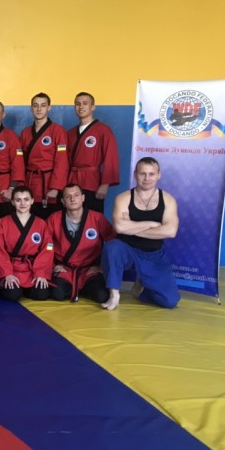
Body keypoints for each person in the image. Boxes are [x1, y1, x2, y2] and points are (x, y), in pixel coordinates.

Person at [101, 157, 180, 310]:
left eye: (151, 174)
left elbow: (171, 231)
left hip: (153, 253)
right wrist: (151, 224)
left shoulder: (168, 200)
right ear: (135, 174)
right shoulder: (123, 198)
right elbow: (119, 227)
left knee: (170, 301)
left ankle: (140, 287)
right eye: (142, 174)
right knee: (112, 247)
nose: (147, 178)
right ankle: (114, 294)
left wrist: (131, 227)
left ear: (159, 175)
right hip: (126, 249)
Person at [47, 184, 115, 302]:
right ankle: (76, 288)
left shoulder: (97, 218)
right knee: (57, 294)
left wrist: (102, 266)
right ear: (63, 201)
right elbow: (47, 245)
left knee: (102, 296)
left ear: (83, 198)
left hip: (89, 270)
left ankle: (82, 287)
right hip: (65, 269)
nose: (72, 199)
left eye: (76, 195)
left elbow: (113, 243)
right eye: (68, 196)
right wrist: (53, 265)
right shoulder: (54, 219)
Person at [0, 186, 53, 302]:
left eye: (26, 199)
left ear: (32, 201)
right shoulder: (3, 222)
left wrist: (40, 273)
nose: (22, 203)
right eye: (18, 200)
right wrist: (7, 273)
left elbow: (47, 249)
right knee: (12, 295)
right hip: (12, 268)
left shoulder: (41, 223)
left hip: (32, 269)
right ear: (12, 202)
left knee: (41, 294)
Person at [67, 92, 120, 213]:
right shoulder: (70, 133)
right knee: (72, 215)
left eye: (85, 103)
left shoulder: (103, 130)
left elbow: (111, 157)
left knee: (93, 217)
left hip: (92, 182)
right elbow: (64, 161)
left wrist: (105, 184)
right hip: (72, 182)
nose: (81, 107)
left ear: (93, 107)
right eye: (78, 104)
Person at [20, 92, 69, 219]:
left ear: (49, 108)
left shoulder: (58, 131)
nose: (39, 109)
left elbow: (62, 161)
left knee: (52, 220)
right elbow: (20, 162)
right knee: (31, 221)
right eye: (35, 105)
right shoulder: (25, 133)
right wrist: (21, 186)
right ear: (31, 108)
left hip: (49, 183)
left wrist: (56, 188)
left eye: (43, 105)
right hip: (30, 182)